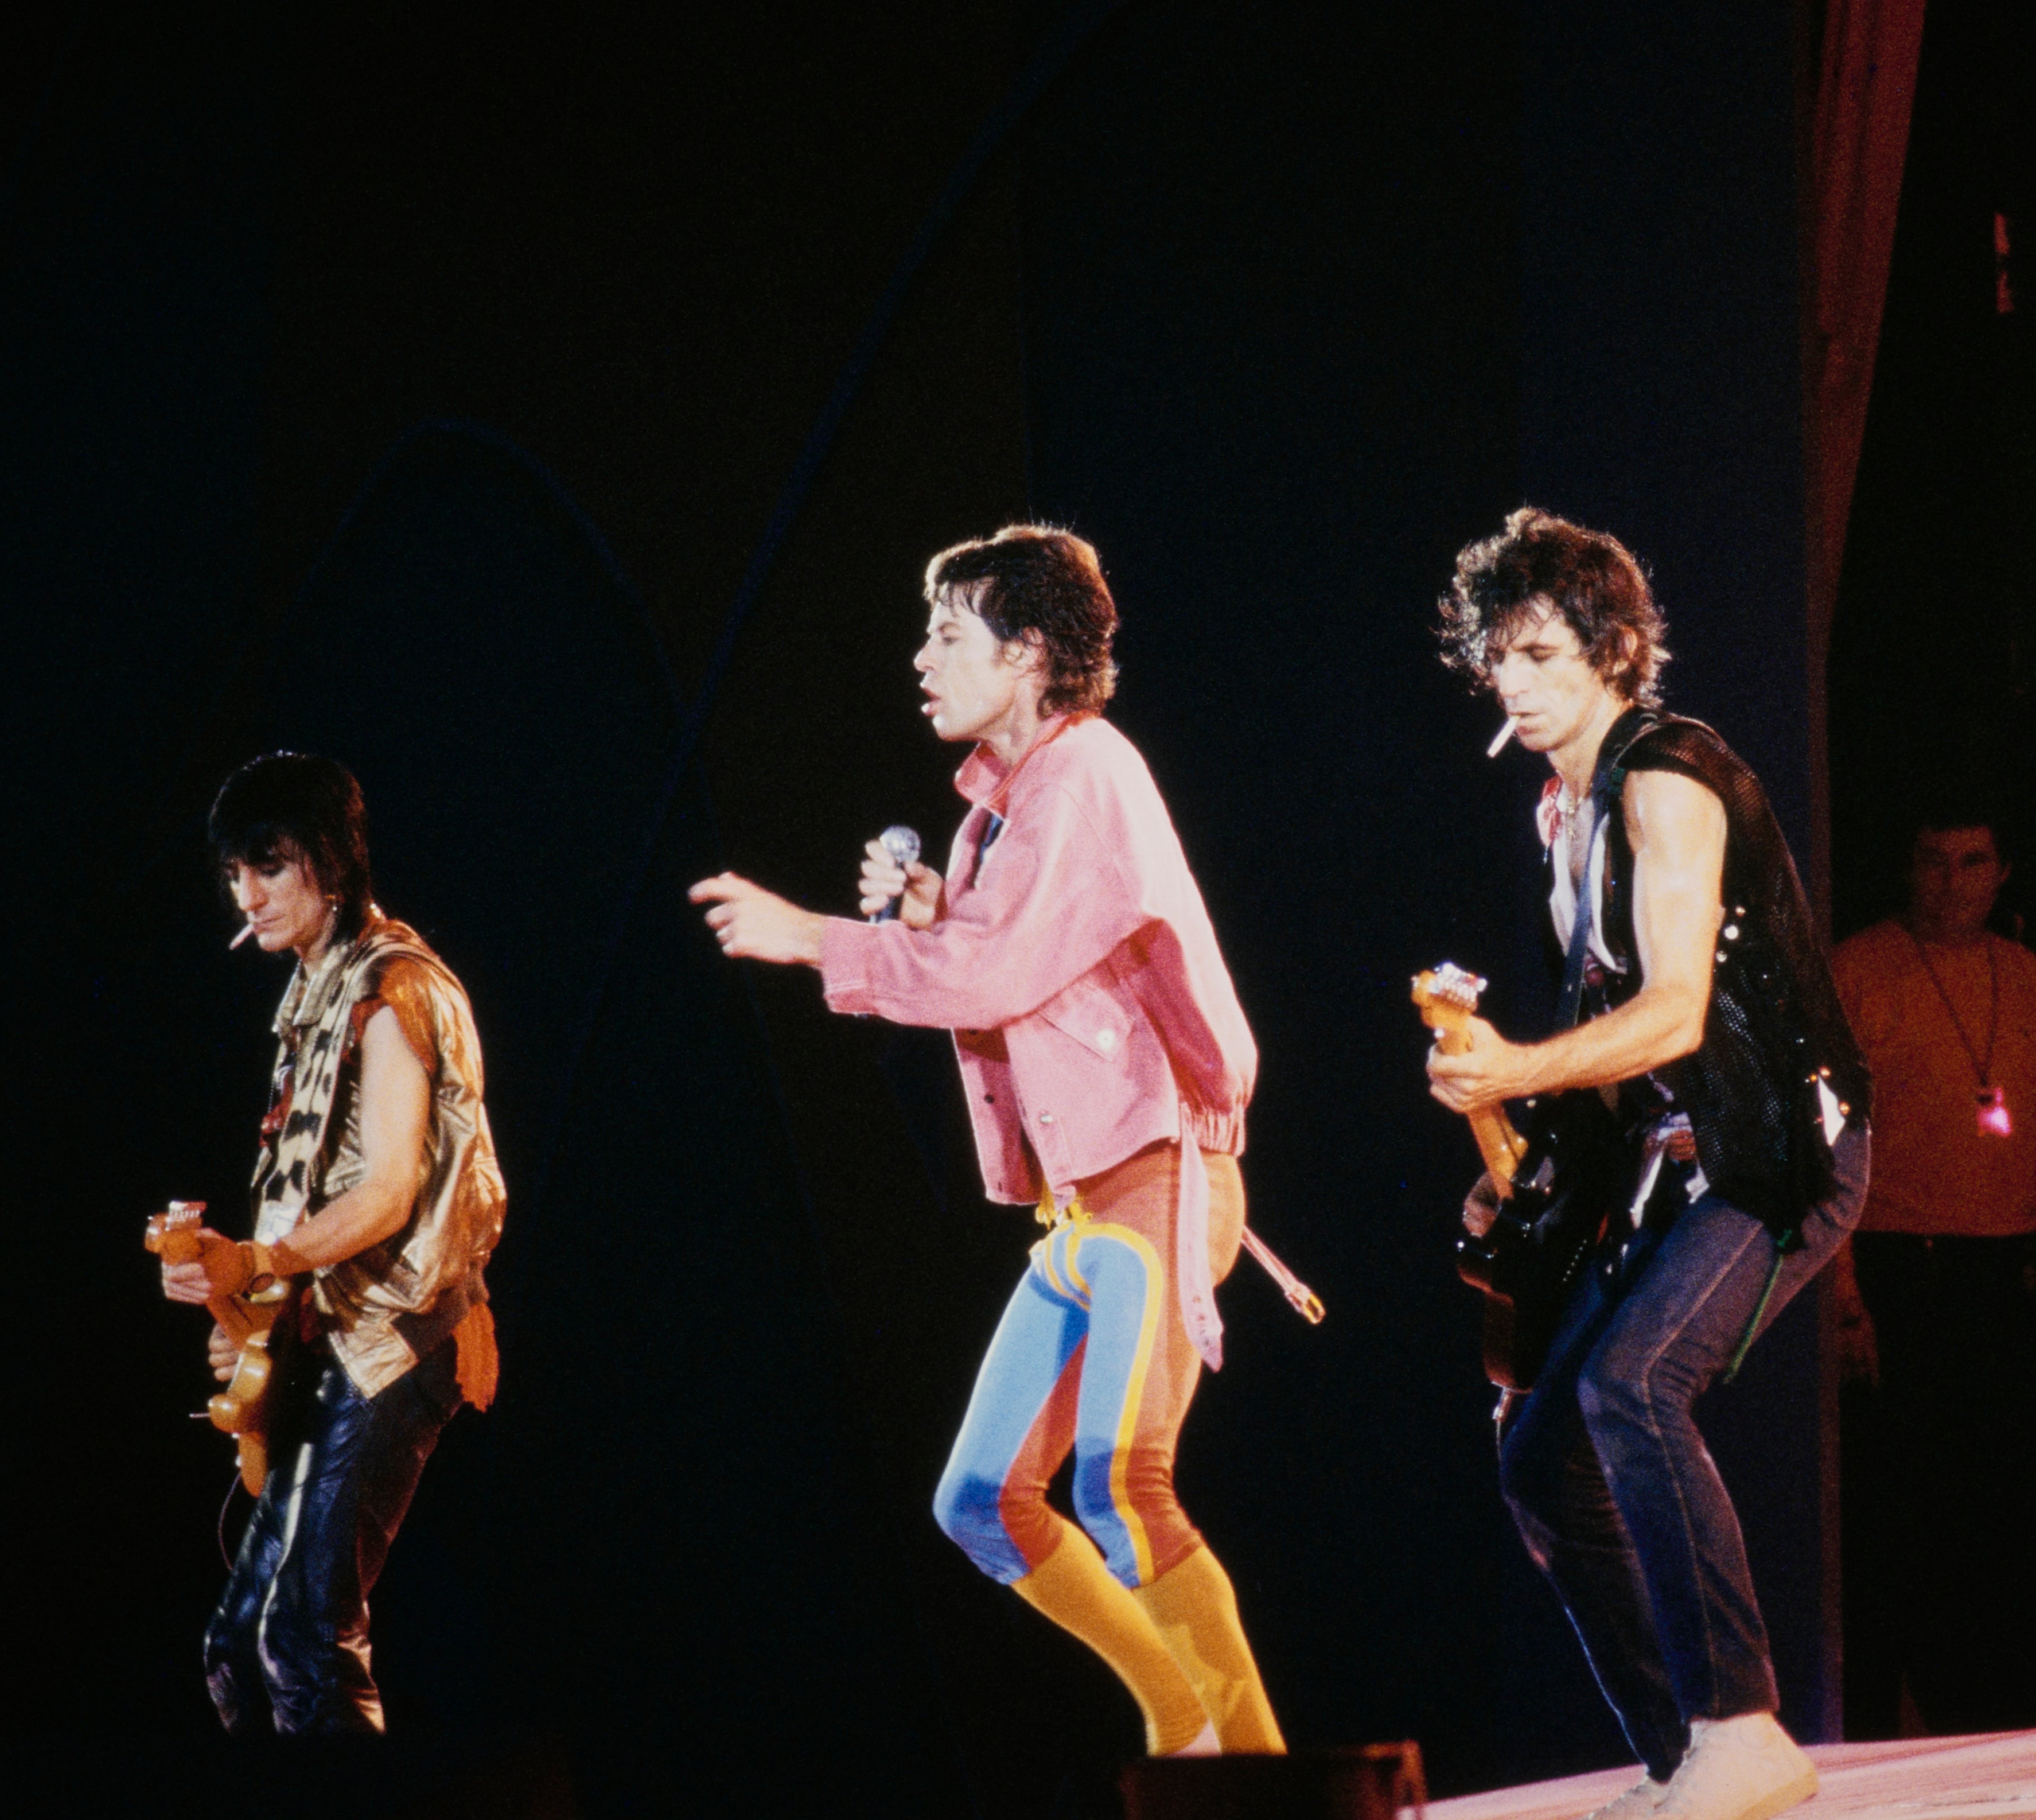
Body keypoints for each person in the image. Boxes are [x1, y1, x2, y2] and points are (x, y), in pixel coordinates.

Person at [690, 525, 1283, 1759]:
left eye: (948, 634)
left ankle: (1263, 1774)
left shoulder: (1086, 774)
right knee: (981, 1500)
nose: (920, 657)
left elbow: (1000, 966)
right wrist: (932, 913)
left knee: (1126, 1480)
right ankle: (1179, 1712)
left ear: (1026, 656)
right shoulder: (990, 819)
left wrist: (817, 938)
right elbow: (1015, 969)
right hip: (1080, 1217)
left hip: (1157, 1186)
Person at [1425, 509, 1872, 1820]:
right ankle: (1686, 1750)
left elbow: (1677, 1012)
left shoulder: (1668, 776)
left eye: (1545, 650)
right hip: (1686, 1153)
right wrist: (1521, 1151)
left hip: (1784, 1141)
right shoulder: (1563, 809)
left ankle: (1743, 1723)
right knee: (1537, 1447)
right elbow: (1620, 1056)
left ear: (1616, 652)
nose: (1516, 677)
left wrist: (1514, 1067)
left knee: (1634, 1380)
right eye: (1499, 652)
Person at [159, 752, 505, 1735]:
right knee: (239, 1646)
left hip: (400, 1338)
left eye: (269, 865)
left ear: (328, 860)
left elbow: (391, 1190)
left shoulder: (395, 987)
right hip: (331, 1338)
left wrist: (261, 1265)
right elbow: (301, 1200)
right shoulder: (314, 994)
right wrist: (242, 1305)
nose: (250, 894)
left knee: (304, 1638)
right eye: (236, 874)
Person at [1827, 811, 2036, 1736]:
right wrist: (1843, 1304)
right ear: (1908, 868)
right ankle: (1885, 1740)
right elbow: (1821, 1152)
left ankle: (2005, 1735)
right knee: (1901, 1531)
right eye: (1933, 862)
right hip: (1898, 1273)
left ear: (2003, 873)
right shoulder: (1859, 969)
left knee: (2009, 1528)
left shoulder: (2027, 977)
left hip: (2011, 1280)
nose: (1953, 883)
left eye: (1973, 863)